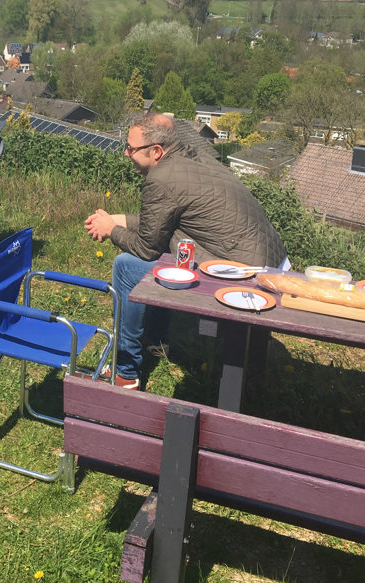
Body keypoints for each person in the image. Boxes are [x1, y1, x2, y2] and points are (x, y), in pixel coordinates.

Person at [84, 112, 287, 389]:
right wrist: (117, 219)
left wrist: (111, 230)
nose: (125, 153)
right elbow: (164, 221)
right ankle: (155, 340)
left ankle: (126, 371)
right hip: (271, 263)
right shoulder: (193, 158)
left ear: (156, 151)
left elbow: (146, 247)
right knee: (168, 251)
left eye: (131, 148)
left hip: (248, 278)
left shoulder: (162, 179)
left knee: (126, 266)